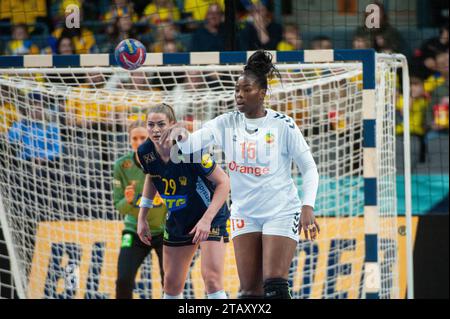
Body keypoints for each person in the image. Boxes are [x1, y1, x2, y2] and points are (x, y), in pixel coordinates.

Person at [161, 50, 320, 299]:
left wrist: (307, 205)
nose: (239, 95)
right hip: (245, 212)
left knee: (275, 286)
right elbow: (190, 146)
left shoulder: (283, 124)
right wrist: (180, 133)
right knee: (249, 292)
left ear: (263, 93)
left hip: (281, 210)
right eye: (237, 90)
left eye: (246, 89)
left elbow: (309, 168)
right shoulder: (226, 122)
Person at [136, 104, 231, 299]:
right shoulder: (145, 151)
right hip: (179, 217)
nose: (155, 130)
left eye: (161, 124)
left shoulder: (189, 149)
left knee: (211, 280)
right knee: (171, 283)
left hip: (210, 215)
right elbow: (152, 176)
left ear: (172, 125)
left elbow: (224, 182)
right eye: (151, 124)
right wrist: (142, 216)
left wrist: (206, 220)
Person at [113, 120, 167, 299]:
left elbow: (180, 197)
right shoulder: (122, 165)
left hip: (164, 232)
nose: (138, 142)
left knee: (170, 280)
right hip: (133, 232)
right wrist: (128, 201)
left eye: (142, 138)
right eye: (134, 138)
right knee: (123, 280)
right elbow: (118, 206)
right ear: (129, 140)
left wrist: (166, 198)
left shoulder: (165, 161)